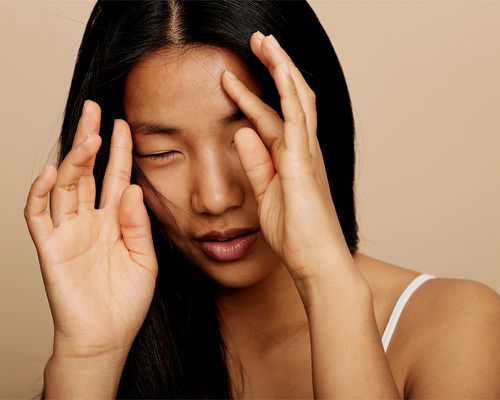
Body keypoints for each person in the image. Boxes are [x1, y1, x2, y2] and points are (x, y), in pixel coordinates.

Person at [24, 0, 500, 398]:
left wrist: (325, 280)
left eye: (246, 139)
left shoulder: (454, 327)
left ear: (314, 130)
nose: (214, 198)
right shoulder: (121, 339)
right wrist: (87, 357)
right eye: (162, 152)